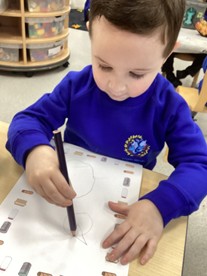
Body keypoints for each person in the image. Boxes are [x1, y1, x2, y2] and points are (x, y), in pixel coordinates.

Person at [6, 0, 207, 267]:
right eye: (104, 66)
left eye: (137, 73)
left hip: (122, 208)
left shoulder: (168, 106)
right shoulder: (76, 85)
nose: (117, 86)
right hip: (68, 199)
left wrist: (159, 207)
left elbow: (200, 166)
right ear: (90, 34)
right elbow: (27, 120)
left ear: (168, 52)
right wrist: (35, 151)